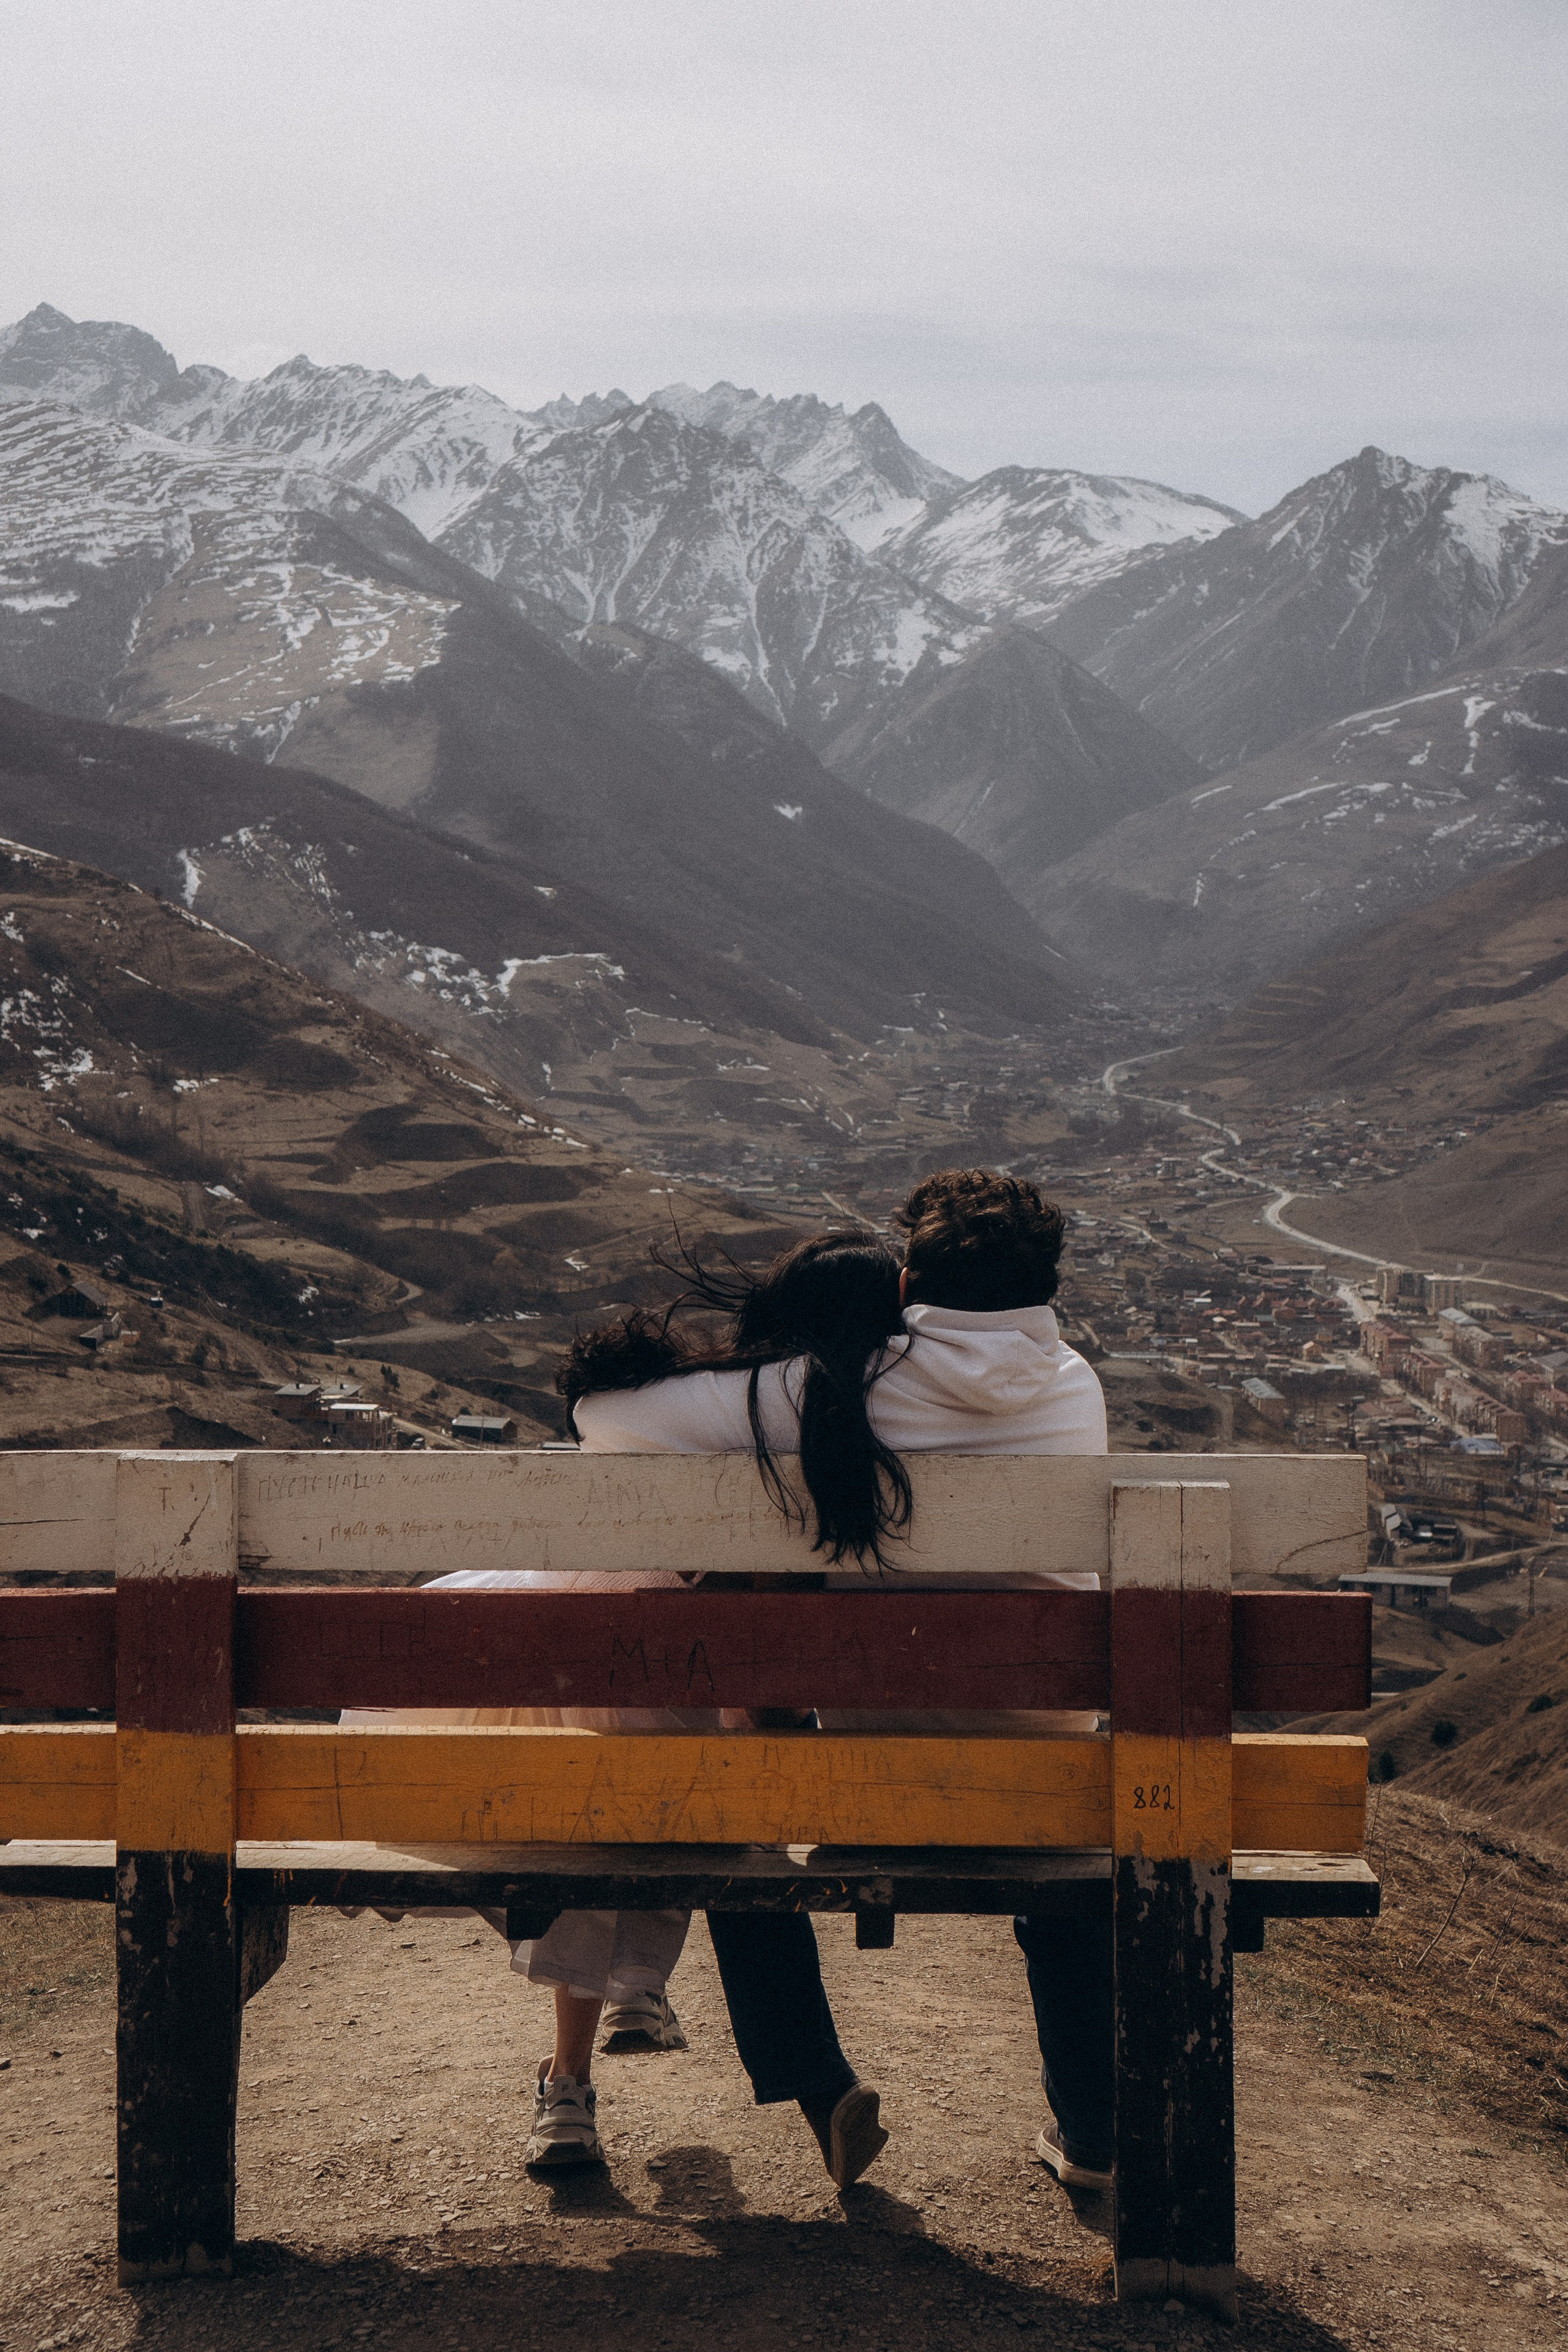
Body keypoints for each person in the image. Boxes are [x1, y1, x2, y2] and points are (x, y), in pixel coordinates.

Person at [570, 1170, 1114, 2195]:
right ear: (1045, 1284)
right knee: (1068, 1878)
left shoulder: (833, 1384)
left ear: (910, 1276)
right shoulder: (1076, 1385)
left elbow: (604, 1418)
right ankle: (1094, 2136)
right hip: (1045, 1774)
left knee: (740, 1818)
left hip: (875, 1773)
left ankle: (816, 2076)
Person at [394, 1232, 911, 2173]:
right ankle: (797, 2074)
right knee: (720, 1799)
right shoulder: (861, 1413)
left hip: (573, 1692)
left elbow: (600, 1406)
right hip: (789, 1725)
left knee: (617, 1778)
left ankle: (573, 2083)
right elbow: (773, 1690)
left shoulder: (699, 1406)